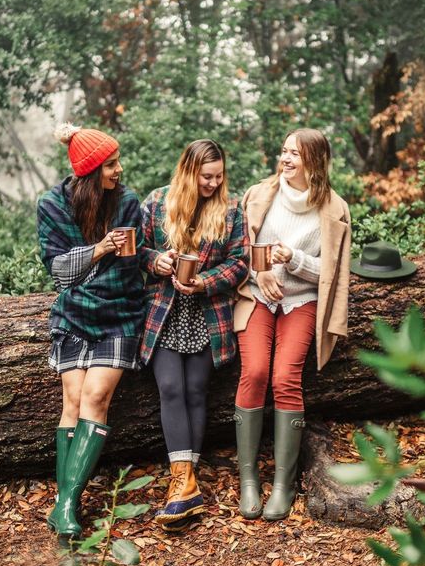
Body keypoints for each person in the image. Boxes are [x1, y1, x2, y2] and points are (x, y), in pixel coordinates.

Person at [234, 128, 351, 521]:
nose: (285, 160)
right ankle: (248, 480)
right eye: (283, 151)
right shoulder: (259, 194)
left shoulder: (334, 209)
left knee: (285, 377)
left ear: (314, 162)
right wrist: (259, 269)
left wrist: (294, 259)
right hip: (257, 296)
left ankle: (282, 485)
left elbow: (335, 272)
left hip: (301, 300)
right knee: (254, 372)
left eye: (294, 155)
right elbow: (238, 246)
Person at [37, 123, 145, 539]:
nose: (120, 170)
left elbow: (129, 265)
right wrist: (99, 250)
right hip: (73, 315)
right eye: (111, 164)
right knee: (72, 399)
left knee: (96, 396)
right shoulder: (52, 206)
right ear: (89, 172)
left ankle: (64, 506)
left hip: (119, 313)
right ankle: (67, 505)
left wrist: (89, 269)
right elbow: (58, 269)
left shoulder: (128, 202)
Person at [140, 139, 249, 529]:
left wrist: (204, 281)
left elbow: (240, 263)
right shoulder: (156, 202)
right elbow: (140, 252)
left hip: (208, 313)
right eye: (206, 176)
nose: (213, 183)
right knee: (170, 388)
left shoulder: (232, 209)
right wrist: (158, 261)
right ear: (189, 171)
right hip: (163, 313)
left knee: (196, 391)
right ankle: (182, 485)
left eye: (219, 176)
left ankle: (185, 486)